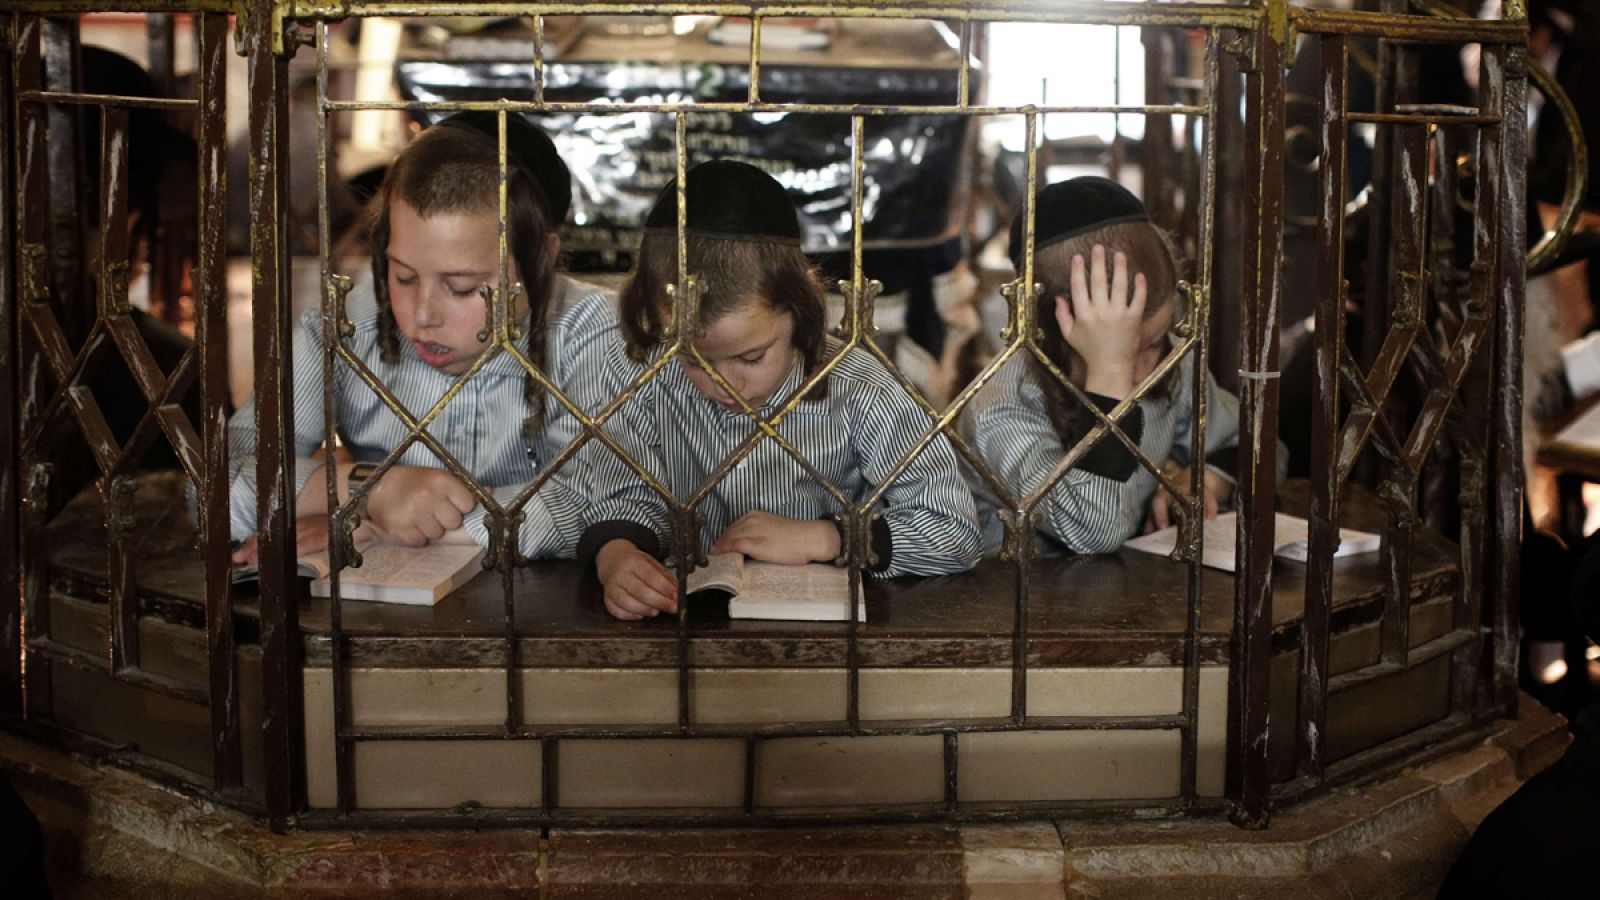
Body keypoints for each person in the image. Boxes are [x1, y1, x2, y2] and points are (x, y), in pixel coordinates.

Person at [576, 160, 982, 621]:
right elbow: (623, 493)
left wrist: (830, 538)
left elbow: (954, 531)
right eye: (693, 361)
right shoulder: (642, 373)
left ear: (800, 311)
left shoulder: (860, 388)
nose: (725, 383)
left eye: (751, 358)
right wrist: (617, 554)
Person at [227, 112, 611, 564]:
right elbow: (220, 478)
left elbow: (606, 502)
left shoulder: (591, 331)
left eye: (463, 287)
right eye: (403, 276)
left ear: (540, 260)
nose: (421, 316)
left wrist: (379, 527)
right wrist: (370, 489)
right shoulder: (347, 327)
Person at [958, 176, 1249, 556]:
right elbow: (1095, 531)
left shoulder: (1170, 363)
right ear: (1053, 333)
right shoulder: (1001, 404)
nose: (1144, 373)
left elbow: (1258, 446)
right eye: (1118, 352)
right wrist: (1110, 375)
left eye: (1154, 342)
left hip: (1137, 594)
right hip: (1021, 600)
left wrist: (1205, 480)